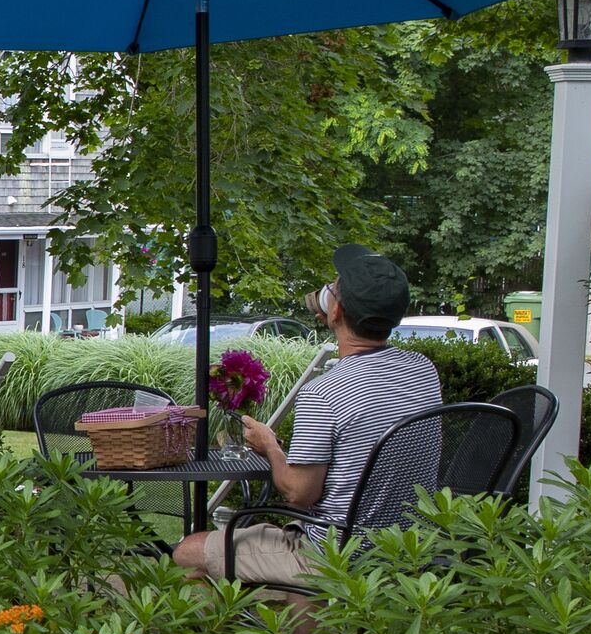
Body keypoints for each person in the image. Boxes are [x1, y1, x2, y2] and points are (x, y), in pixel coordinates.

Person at [172, 244, 444, 588]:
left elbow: (300, 493)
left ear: (336, 311)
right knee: (282, 570)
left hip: (337, 551)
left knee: (187, 552)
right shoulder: (422, 370)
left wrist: (269, 446)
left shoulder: (324, 392)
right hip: (408, 546)